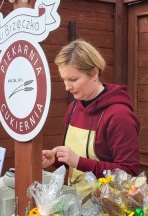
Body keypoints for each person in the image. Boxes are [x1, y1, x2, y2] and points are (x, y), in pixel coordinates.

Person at [42, 39, 141, 198]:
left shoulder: (119, 115)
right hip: (74, 203)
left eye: (73, 79)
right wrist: (57, 159)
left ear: (94, 72)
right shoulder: (73, 108)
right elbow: (76, 159)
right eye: (64, 80)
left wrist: (79, 162)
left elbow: (129, 173)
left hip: (108, 209)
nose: (67, 87)